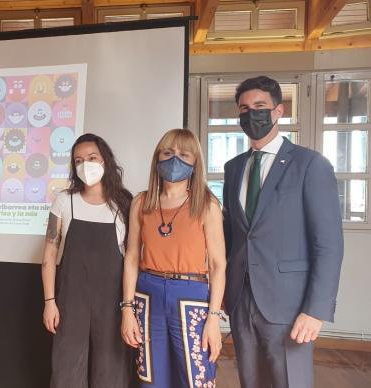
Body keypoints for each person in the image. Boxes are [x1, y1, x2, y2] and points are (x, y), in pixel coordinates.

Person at [223, 76, 344, 388]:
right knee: (251, 382)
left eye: (260, 107)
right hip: (241, 301)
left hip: (290, 306)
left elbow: (328, 244)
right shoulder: (233, 168)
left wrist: (315, 310)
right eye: (244, 109)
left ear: (278, 111)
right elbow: (233, 235)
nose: (252, 115)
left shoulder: (310, 164)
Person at [121, 128, 226, 388]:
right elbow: (132, 257)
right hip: (148, 292)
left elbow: (218, 264)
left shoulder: (207, 204)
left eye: (183, 154)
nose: (174, 160)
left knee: (196, 378)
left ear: (195, 162)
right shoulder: (141, 203)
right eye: (167, 153)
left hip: (191, 294)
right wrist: (127, 309)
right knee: (151, 377)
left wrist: (213, 318)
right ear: (157, 158)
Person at [41, 133, 133, 388]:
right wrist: (50, 302)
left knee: (111, 374)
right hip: (70, 302)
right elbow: (49, 253)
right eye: (79, 160)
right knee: (66, 371)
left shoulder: (124, 204)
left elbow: (133, 259)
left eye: (92, 158)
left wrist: (128, 308)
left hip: (112, 304)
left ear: (106, 160)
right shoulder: (63, 201)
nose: (86, 164)